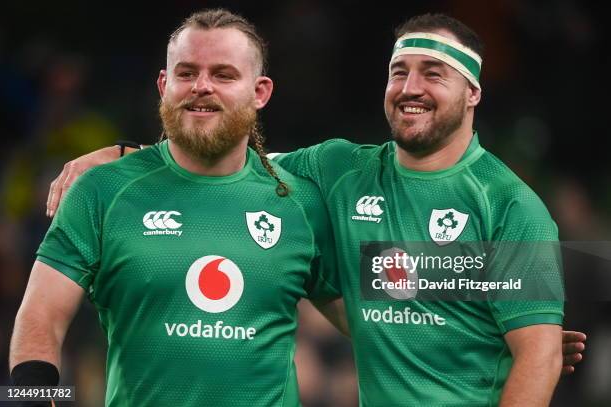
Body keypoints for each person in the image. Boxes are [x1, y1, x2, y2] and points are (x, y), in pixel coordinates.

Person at [42, 11, 587, 407]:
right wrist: (119, 155)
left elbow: (537, 359)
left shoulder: (511, 205)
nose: (410, 88)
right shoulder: (335, 169)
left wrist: (519, 339)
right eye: (400, 72)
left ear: (472, 94)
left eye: (433, 74)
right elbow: (219, 149)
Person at [10, 9, 345, 407]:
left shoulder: (300, 200)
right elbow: (39, 319)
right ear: (164, 84)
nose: (201, 86)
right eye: (186, 73)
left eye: (223, 75)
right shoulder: (103, 189)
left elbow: (379, 326)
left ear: (260, 92)